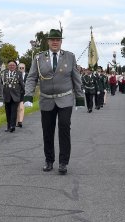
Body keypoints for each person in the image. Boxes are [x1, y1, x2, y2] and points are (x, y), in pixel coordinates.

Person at [24, 28, 85, 174]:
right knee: (47, 131)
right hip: (46, 100)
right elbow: (32, 77)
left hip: (65, 98)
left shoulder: (70, 57)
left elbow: (76, 78)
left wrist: (80, 98)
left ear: (61, 41)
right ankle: (49, 160)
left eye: (58, 40)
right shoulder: (38, 58)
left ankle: (63, 162)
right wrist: (28, 95)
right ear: (48, 42)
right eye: (52, 40)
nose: (55, 42)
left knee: (64, 128)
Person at [1, 60, 25, 132]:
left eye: (13, 65)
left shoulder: (19, 74)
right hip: (6, 95)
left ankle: (12, 126)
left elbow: (22, 84)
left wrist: (23, 93)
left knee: (13, 111)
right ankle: (8, 126)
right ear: (8, 66)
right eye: (10, 65)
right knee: (8, 112)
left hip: (15, 96)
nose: (12, 66)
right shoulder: (3, 73)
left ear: (15, 66)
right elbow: (1, 83)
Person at [16, 62, 28, 128]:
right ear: (18, 68)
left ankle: (20, 122)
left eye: (22, 68)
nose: (21, 69)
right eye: (20, 68)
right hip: (16, 94)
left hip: (24, 93)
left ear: (24, 68)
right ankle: (17, 121)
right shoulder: (16, 75)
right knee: (17, 108)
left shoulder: (27, 75)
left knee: (21, 107)